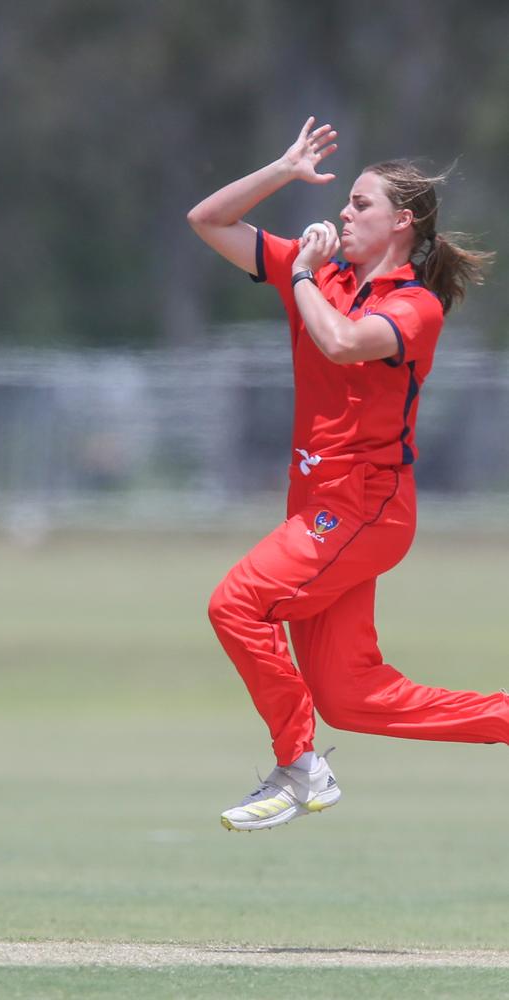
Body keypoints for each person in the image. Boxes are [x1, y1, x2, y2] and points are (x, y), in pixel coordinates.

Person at [187, 116, 506, 832]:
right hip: (315, 508)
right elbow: (207, 219)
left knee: (236, 605)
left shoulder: (414, 305)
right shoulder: (320, 271)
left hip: (365, 509)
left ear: (401, 222)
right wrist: (281, 168)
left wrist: (299, 272)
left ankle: (299, 767)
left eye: (359, 203)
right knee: (352, 696)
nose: (342, 212)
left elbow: (338, 343)